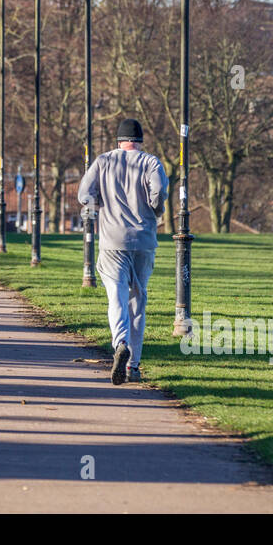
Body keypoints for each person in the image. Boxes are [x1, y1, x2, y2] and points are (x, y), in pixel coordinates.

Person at [77, 118, 169, 385]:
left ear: (118, 141)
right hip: (143, 240)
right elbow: (160, 191)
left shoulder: (104, 161)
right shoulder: (151, 162)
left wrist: (98, 206)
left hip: (112, 241)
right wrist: (155, 209)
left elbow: (85, 194)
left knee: (116, 298)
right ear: (140, 141)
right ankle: (134, 366)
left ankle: (120, 342)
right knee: (137, 302)